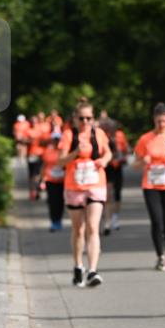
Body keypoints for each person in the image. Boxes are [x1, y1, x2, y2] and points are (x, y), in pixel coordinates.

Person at [58, 100, 112, 287]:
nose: (85, 122)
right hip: (74, 186)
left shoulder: (99, 134)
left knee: (92, 227)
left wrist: (104, 160)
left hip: (96, 184)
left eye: (89, 118)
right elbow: (60, 161)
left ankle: (93, 271)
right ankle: (78, 265)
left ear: (93, 118)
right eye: (81, 118)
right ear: (74, 119)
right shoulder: (68, 135)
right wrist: (75, 153)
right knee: (78, 229)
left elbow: (108, 153)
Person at [133, 103, 165, 271]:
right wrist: (142, 161)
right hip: (151, 184)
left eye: (164, 120)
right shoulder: (145, 139)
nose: (161, 123)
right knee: (156, 221)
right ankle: (160, 256)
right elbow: (134, 165)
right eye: (158, 120)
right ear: (154, 119)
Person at [39, 130, 65, 231]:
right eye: (55, 139)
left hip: (62, 179)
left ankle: (59, 220)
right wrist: (41, 179)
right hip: (50, 179)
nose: (56, 141)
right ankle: (54, 221)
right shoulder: (47, 150)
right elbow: (44, 165)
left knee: (60, 201)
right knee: (51, 201)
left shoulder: (64, 150)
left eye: (58, 139)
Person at [26, 114, 48, 200]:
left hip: (39, 154)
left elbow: (45, 141)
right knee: (34, 174)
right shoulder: (29, 131)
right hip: (32, 154)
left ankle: (35, 191)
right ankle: (34, 191)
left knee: (36, 174)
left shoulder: (39, 131)